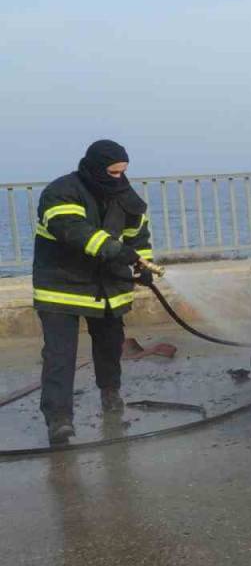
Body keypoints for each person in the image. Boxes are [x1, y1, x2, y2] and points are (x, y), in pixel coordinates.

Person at [33, 140, 154, 443]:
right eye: (113, 172)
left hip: (108, 286)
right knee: (60, 355)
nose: (119, 178)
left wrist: (145, 264)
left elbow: (137, 233)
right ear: (96, 167)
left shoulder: (124, 195)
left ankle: (110, 393)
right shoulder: (62, 191)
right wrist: (117, 251)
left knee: (110, 345)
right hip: (62, 287)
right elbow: (73, 230)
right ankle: (59, 419)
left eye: (123, 172)